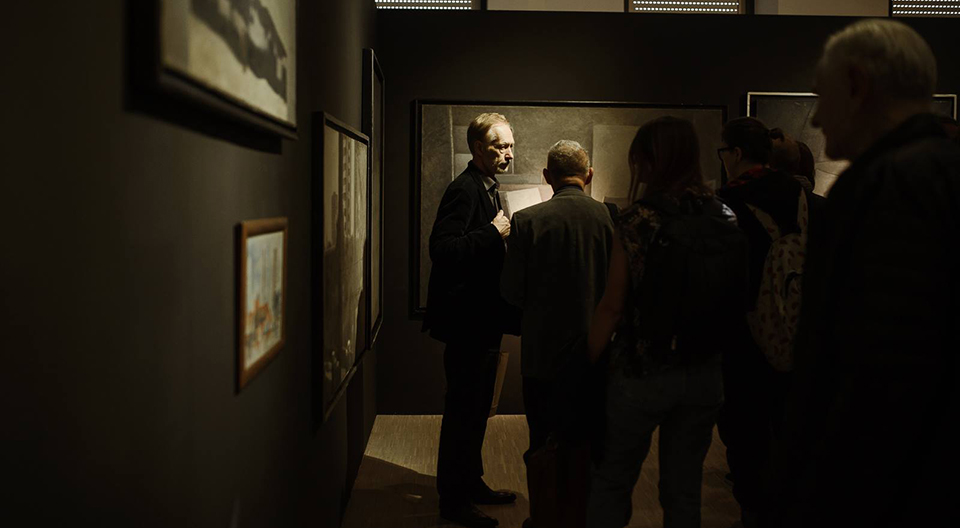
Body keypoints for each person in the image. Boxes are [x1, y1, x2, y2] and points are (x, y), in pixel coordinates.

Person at [767, 19, 960, 528]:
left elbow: (876, 369)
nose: (816, 115)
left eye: (821, 95)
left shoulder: (884, 185)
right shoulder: (938, 171)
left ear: (857, 84)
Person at [585, 117, 748, 528]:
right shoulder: (724, 215)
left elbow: (612, 307)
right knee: (683, 489)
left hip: (643, 368)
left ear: (648, 160)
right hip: (705, 369)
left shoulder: (638, 219)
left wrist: (586, 362)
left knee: (613, 481)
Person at [499, 140, 615, 528]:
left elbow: (511, 291)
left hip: (543, 355)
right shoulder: (608, 219)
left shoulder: (527, 221)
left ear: (547, 176)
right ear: (589, 175)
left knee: (543, 444)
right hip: (595, 354)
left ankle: (546, 517)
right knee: (589, 444)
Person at [714, 117, 813, 528]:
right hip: (795, 321)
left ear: (736, 153)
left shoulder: (727, 201)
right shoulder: (797, 192)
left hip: (746, 330)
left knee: (746, 431)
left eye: (723, 152)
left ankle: (755, 512)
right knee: (787, 424)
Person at [423, 113, 521, 528]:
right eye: (500, 146)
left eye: (511, 145)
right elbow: (442, 249)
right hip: (467, 324)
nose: (509, 153)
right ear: (479, 148)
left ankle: (471, 482)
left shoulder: (487, 186)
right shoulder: (464, 189)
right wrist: (493, 233)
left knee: (477, 408)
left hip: (482, 319)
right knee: (464, 410)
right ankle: (454, 501)